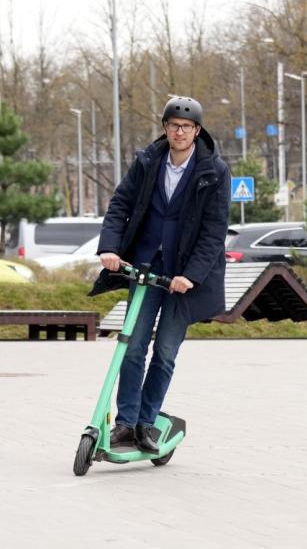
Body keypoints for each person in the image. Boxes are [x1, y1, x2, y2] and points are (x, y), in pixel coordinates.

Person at [89, 96, 230, 453]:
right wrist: (110, 248)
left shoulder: (214, 170)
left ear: (197, 131)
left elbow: (215, 230)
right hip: (146, 269)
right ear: (165, 128)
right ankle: (125, 423)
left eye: (186, 127)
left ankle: (148, 423)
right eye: (173, 125)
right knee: (133, 346)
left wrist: (192, 276)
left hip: (182, 278)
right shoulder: (148, 161)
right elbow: (120, 203)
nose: (179, 132)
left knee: (165, 351)